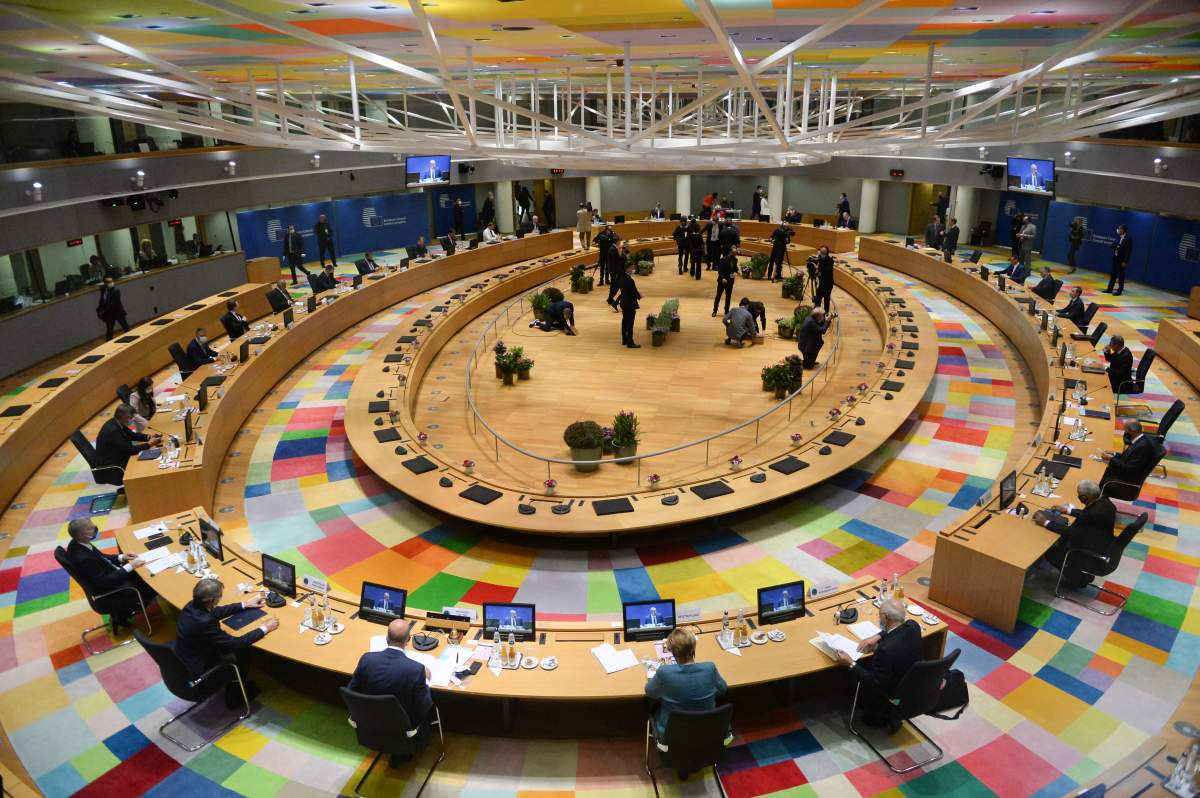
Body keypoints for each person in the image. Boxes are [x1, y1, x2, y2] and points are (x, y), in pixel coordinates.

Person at [175, 577, 279, 708]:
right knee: (242, 651)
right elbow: (235, 644)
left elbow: (215, 612)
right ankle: (235, 695)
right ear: (212, 600)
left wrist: (244, 604)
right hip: (201, 668)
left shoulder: (192, 606)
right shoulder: (205, 622)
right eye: (219, 596)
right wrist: (265, 628)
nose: (220, 599)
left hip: (186, 657)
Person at [347, 619, 435, 762]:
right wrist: (426, 680)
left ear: (387, 638)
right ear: (408, 640)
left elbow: (351, 692)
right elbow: (425, 708)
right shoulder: (416, 670)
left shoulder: (367, 659)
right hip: (403, 733)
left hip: (369, 728)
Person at [834, 599, 923, 730]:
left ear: (885, 618)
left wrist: (850, 663)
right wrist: (879, 636)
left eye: (879, 615)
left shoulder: (885, 650)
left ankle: (875, 714)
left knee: (849, 673)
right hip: (916, 688)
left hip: (891, 696)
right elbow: (903, 626)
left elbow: (873, 683)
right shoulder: (914, 627)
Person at [63, 517, 157, 629]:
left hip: (111, 574)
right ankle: (124, 614)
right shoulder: (84, 558)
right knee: (153, 583)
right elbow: (104, 582)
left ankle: (121, 614)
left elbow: (102, 558)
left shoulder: (77, 543)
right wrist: (130, 566)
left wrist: (122, 557)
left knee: (145, 570)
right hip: (113, 589)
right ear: (81, 535)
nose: (95, 528)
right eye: (90, 528)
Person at [645, 627, 727, 744]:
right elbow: (723, 689)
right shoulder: (710, 668)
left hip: (672, 733)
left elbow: (650, 693)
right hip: (707, 729)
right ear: (694, 647)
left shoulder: (664, 672)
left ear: (672, 651)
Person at [1032, 480, 1116, 589]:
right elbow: (1087, 515)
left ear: (1084, 498)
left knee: (1051, 552)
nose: (1078, 496)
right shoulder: (1105, 502)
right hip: (1103, 542)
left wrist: (1046, 522)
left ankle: (1079, 580)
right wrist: (1068, 510)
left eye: (1079, 495)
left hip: (1089, 551)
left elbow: (1071, 533)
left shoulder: (1094, 513)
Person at [95, 404, 161, 482]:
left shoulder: (116, 422)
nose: (131, 419)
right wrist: (149, 444)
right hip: (113, 464)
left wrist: (149, 437)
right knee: (147, 464)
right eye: (130, 417)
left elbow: (132, 435)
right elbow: (130, 450)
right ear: (123, 416)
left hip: (117, 455)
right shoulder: (114, 431)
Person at [1100, 419, 1156, 486]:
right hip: (1124, 472)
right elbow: (1128, 456)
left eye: (1125, 430)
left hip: (1123, 479)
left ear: (1132, 431)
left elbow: (1127, 468)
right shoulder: (1141, 439)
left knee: (1098, 472)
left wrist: (1111, 459)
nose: (1125, 433)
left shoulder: (1142, 447)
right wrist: (1114, 454)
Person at [613, 259, 642, 348]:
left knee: (624, 321)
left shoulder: (621, 278)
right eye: (632, 267)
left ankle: (624, 340)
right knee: (630, 323)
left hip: (624, 303)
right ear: (628, 268)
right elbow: (633, 292)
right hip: (630, 304)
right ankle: (630, 342)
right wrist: (639, 296)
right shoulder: (629, 280)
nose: (633, 269)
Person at [96, 274, 129, 341]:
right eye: (108, 282)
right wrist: (99, 310)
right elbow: (102, 300)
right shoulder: (103, 289)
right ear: (104, 283)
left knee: (126, 328)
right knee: (109, 330)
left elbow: (113, 304)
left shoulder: (116, 290)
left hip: (118, 311)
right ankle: (107, 345)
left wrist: (103, 311)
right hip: (109, 314)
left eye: (111, 281)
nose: (111, 283)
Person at [1106, 224, 1131, 296]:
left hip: (1122, 260)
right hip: (1115, 258)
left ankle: (1119, 291)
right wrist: (1116, 246)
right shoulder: (1118, 237)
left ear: (1123, 230)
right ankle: (1109, 289)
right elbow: (1112, 245)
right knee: (1113, 274)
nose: (1118, 230)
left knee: (1121, 276)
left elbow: (1128, 251)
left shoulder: (1128, 238)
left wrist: (1125, 261)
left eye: (1119, 229)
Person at [712, 248, 738, 317]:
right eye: (734, 253)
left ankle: (726, 311)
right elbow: (720, 270)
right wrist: (722, 278)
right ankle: (715, 310)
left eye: (736, 253)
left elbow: (735, 269)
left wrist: (737, 272)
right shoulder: (723, 259)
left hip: (730, 281)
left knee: (728, 297)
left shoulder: (735, 260)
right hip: (722, 281)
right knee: (718, 296)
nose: (736, 254)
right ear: (730, 252)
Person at [607, 240, 630, 311]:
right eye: (628, 247)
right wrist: (619, 274)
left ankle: (613, 301)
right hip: (620, 274)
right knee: (618, 288)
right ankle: (611, 300)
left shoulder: (622, 255)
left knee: (619, 288)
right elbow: (620, 266)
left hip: (620, 273)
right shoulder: (623, 256)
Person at [813, 246, 835, 314]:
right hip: (822, 283)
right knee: (818, 298)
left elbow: (828, 270)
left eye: (823, 252)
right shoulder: (820, 258)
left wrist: (820, 273)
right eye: (821, 252)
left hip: (828, 284)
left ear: (827, 253)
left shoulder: (830, 260)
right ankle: (817, 312)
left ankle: (826, 313)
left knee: (826, 299)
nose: (822, 253)